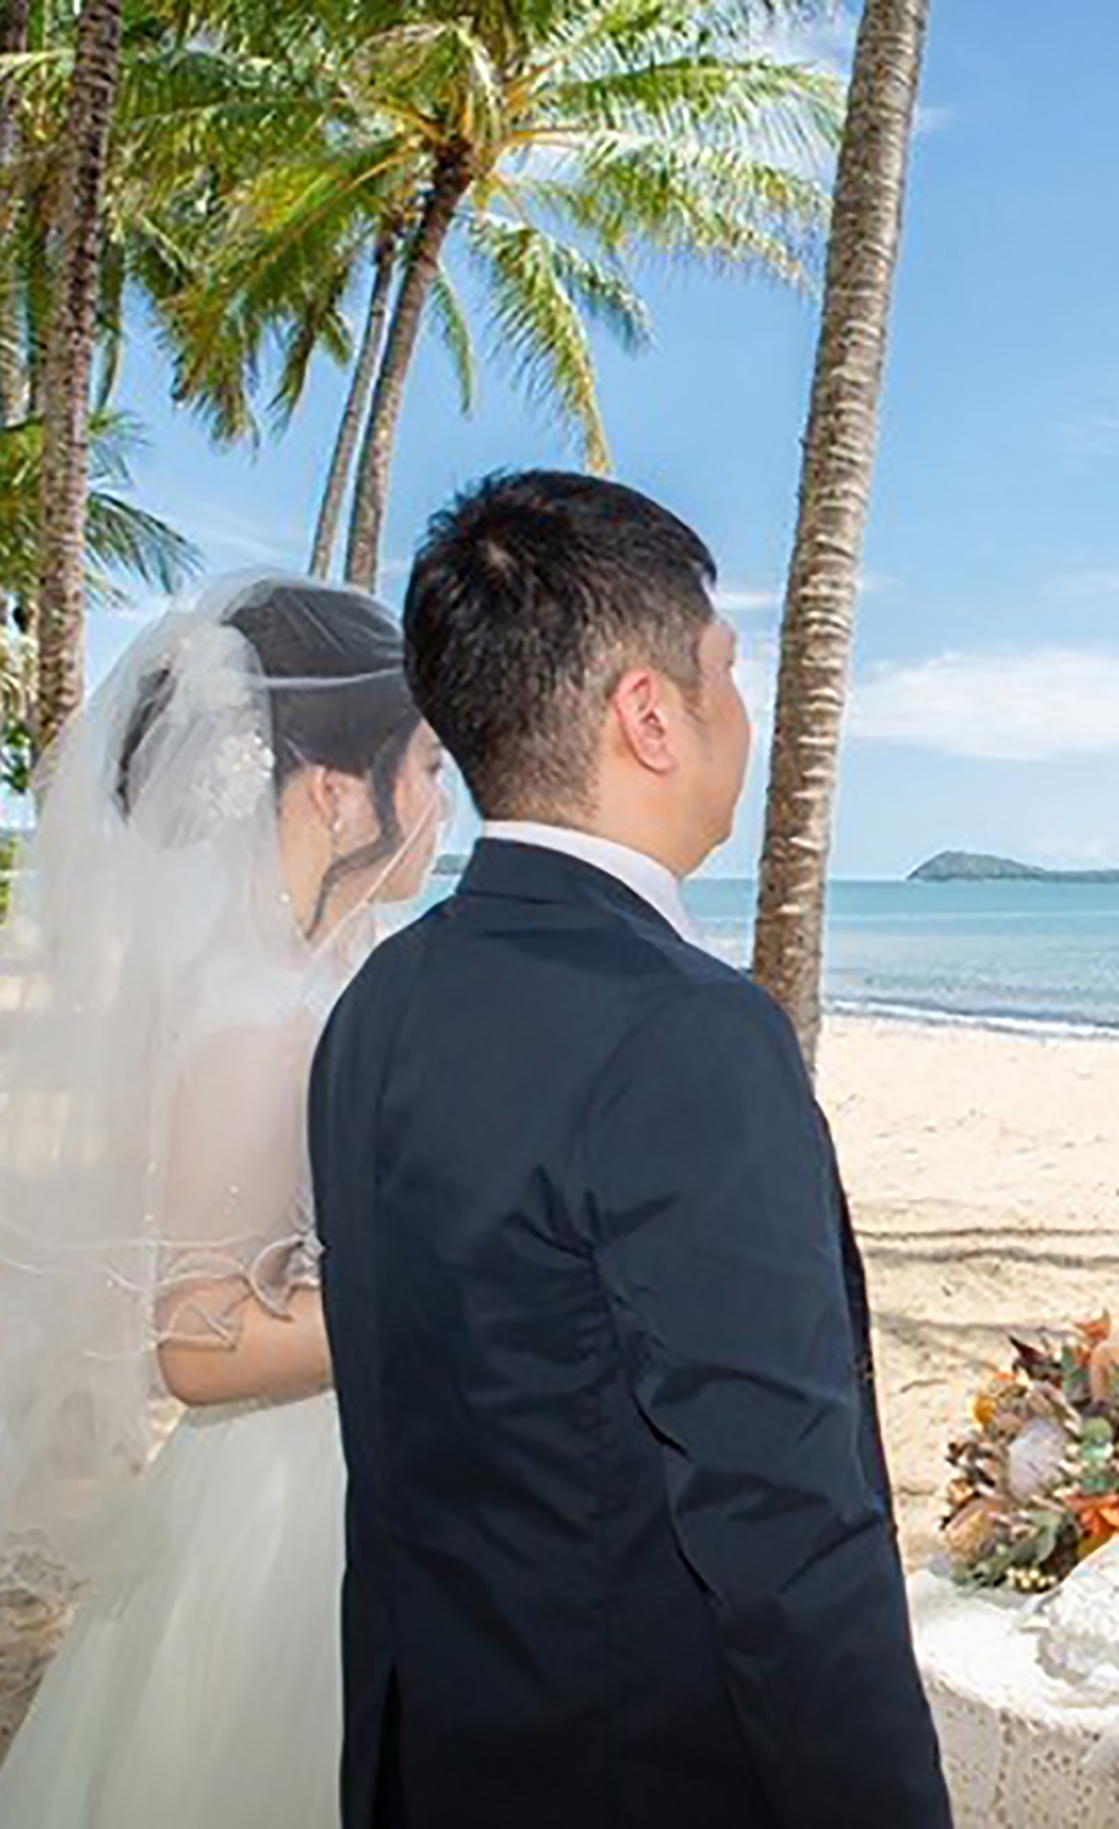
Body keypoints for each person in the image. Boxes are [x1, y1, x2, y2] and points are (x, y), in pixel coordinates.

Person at [310, 470, 952, 1829]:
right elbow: (785, 1532)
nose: (744, 708)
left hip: (438, 1761)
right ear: (649, 715)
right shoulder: (687, 1039)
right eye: (724, 668)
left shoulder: (377, 1005)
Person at [0, 577, 447, 1826]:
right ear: (331, 790)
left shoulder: (315, 977)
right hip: (279, 1513)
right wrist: (429, 1301)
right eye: (423, 764)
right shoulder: (257, 1022)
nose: (442, 800)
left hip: (340, 1467)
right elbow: (195, 1341)